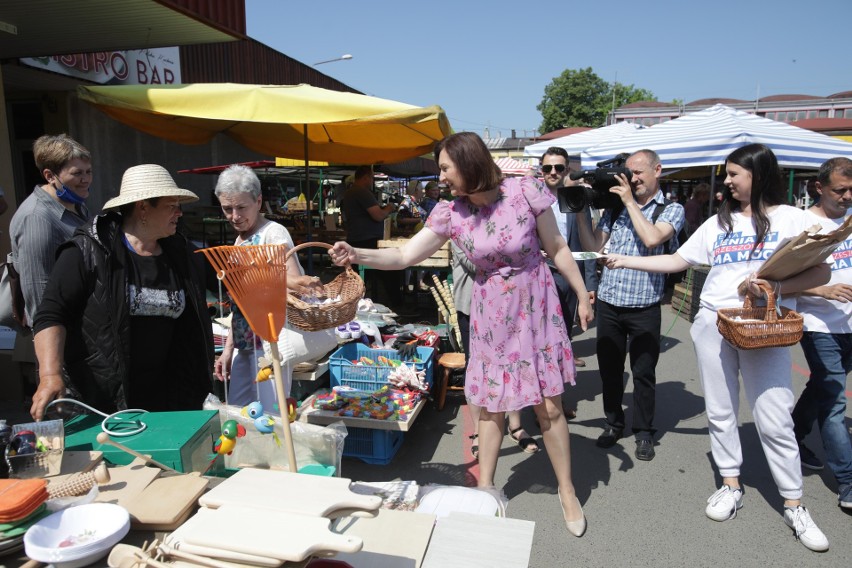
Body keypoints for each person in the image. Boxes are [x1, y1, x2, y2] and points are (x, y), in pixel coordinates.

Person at [330, 132, 593, 537]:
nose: (441, 176)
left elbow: (556, 247)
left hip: (535, 306)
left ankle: (567, 488)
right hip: (490, 314)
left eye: (445, 168)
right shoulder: (450, 211)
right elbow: (403, 255)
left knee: (549, 405)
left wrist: (581, 292)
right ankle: (484, 492)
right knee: (490, 405)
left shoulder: (525, 189)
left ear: (469, 163)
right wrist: (357, 254)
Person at [605, 144, 831, 552]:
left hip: (765, 327)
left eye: (734, 174)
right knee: (721, 408)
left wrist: (774, 288)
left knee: (775, 415)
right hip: (713, 322)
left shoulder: (793, 219)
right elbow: (676, 260)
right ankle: (730, 484)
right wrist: (624, 260)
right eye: (726, 174)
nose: (726, 182)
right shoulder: (717, 223)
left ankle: (794, 503)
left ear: (759, 175)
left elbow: (821, 268)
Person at [29, 164, 216, 420]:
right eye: (171, 205)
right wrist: (50, 375)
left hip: (169, 399)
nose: (179, 213)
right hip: (103, 402)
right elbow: (51, 314)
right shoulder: (88, 251)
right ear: (142, 208)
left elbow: (226, 281)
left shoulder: (181, 253)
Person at [575, 149, 685, 461]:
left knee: (643, 372)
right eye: (629, 173)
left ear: (657, 170)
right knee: (609, 370)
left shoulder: (670, 208)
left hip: (645, 306)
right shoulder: (615, 209)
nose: (632, 179)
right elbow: (593, 247)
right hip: (610, 304)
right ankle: (613, 423)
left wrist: (626, 201)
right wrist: (581, 211)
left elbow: (652, 239)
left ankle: (644, 431)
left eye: (638, 173)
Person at [212, 165, 323, 408]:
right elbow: (240, 304)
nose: (234, 216)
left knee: (271, 417)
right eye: (227, 209)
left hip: (272, 345)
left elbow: (296, 288)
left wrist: (257, 286)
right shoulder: (240, 241)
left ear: (258, 201)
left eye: (241, 208)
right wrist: (228, 349)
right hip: (246, 343)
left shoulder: (274, 234)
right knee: (240, 413)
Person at [791, 157, 852, 511]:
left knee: (821, 387)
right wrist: (821, 291)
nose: (846, 197)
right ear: (819, 187)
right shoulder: (802, 223)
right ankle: (846, 480)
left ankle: (794, 434)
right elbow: (779, 276)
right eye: (839, 190)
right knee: (833, 401)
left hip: (849, 325)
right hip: (818, 325)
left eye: (851, 191)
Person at [10, 134, 92, 396]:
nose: (86, 179)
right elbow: (40, 299)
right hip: (64, 347)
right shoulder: (37, 218)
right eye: (77, 173)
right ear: (50, 175)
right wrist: (52, 369)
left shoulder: (77, 205)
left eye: (89, 171)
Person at [451, 242, 540, 459]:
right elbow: (474, 264)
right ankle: (479, 431)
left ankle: (515, 426)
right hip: (472, 305)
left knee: (513, 363)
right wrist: (514, 259)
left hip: (510, 304)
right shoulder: (459, 220)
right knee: (476, 368)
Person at [540, 147, 599, 368]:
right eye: (548, 167)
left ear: (566, 170)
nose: (553, 172)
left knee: (565, 324)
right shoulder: (532, 200)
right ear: (542, 170)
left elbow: (588, 245)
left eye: (558, 167)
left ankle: (564, 362)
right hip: (541, 272)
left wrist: (591, 283)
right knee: (543, 330)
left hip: (570, 273)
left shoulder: (576, 200)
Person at [340, 166, 401, 304]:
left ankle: (356, 303)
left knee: (359, 278)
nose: (372, 181)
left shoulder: (350, 193)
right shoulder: (362, 192)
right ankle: (394, 303)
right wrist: (389, 208)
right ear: (366, 177)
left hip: (357, 238)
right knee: (389, 269)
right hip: (368, 240)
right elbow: (378, 216)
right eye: (372, 178)